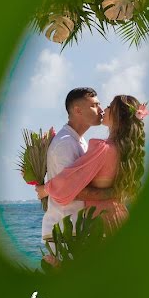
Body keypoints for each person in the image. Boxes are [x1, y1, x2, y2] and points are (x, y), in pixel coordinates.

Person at [37, 94, 148, 234]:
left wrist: (45, 189)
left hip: (101, 220)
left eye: (108, 107)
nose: (103, 110)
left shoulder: (104, 148)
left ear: (117, 116)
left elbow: (69, 183)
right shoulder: (124, 149)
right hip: (118, 215)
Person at [38, 87, 115, 245]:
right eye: (94, 105)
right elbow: (71, 191)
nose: (101, 110)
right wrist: (113, 193)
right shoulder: (65, 143)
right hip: (64, 230)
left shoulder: (79, 141)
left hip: (74, 228)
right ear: (78, 110)